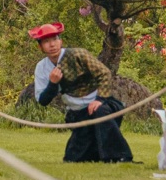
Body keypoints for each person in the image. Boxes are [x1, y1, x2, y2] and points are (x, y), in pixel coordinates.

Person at [29, 23, 132, 163]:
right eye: (46, 41)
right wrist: (53, 84)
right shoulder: (41, 67)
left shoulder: (79, 54)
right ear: (40, 47)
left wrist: (100, 99)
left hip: (101, 104)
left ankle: (120, 156)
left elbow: (104, 73)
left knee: (101, 112)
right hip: (78, 113)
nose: (52, 45)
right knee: (73, 159)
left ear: (60, 41)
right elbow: (42, 100)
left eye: (54, 39)